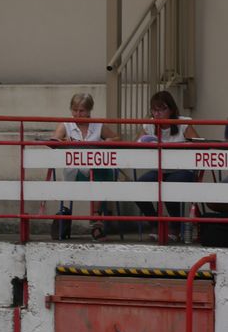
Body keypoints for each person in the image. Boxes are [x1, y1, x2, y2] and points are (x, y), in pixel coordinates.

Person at [49, 92, 119, 239]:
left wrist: (108, 141)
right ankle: (97, 221)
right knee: (100, 171)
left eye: (82, 111)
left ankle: (96, 220)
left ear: (89, 111)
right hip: (75, 173)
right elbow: (53, 141)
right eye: (74, 110)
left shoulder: (98, 125)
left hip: (96, 171)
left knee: (100, 169)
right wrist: (63, 142)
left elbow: (117, 138)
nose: (78, 114)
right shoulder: (65, 125)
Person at [134, 90, 200, 241]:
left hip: (182, 169)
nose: (157, 114)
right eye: (154, 109)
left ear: (171, 110)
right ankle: (155, 222)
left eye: (162, 109)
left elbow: (198, 144)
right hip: (159, 169)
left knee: (169, 185)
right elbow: (136, 144)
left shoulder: (183, 123)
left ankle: (175, 226)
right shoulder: (149, 125)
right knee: (138, 186)